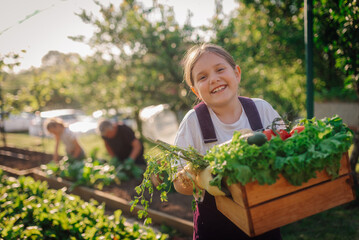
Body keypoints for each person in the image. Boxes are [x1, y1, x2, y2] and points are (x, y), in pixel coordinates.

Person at [173, 43, 283, 240]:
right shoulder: (193, 122)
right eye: (203, 77)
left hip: (264, 219)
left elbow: (286, 151)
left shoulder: (261, 110)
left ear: (237, 73)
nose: (214, 79)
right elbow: (178, 184)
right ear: (196, 91)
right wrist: (199, 177)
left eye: (220, 69)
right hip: (215, 228)